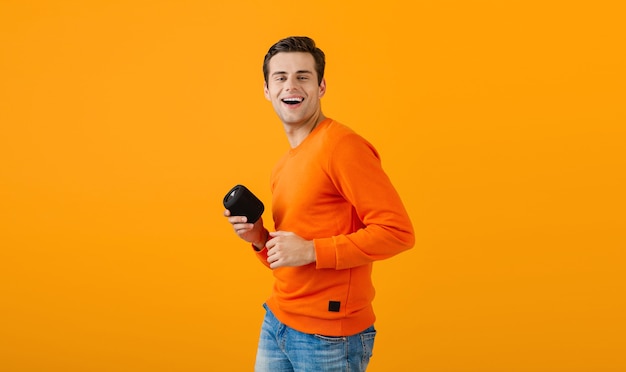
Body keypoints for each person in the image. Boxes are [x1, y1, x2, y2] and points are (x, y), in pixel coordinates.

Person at [224, 36, 415, 372]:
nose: (291, 85)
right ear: (267, 90)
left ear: (321, 86)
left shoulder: (342, 147)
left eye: (303, 76)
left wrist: (313, 250)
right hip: (278, 321)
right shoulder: (284, 165)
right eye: (280, 77)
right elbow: (290, 257)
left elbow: (398, 232)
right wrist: (258, 239)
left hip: (329, 338)